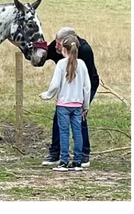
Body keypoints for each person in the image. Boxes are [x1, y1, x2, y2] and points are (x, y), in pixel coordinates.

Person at [41, 27, 100, 168]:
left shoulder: (83, 53)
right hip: (76, 100)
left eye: (58, 44)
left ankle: (72, 158)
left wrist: (47, 95)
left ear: (65, 46)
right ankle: (72, 158)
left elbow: (87, 84)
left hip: (70, 99)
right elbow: (40, 58)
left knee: (72, 126)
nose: (55, 46)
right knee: (74, 127)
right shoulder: (74, 59)